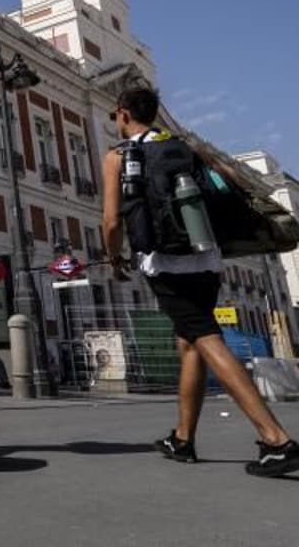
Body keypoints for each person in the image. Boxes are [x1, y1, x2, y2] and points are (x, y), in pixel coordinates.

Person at [103, 85, 299, 477]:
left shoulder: (118, 156)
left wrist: (114, 257)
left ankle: (276, 438)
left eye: (115, 115)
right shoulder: (184, 145)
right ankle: (183, 438)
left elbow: (112, 220)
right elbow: (228, 184)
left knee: (205, 337)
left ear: (123, 114)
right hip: (206, 255)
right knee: (189, 342)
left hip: (165, 260)